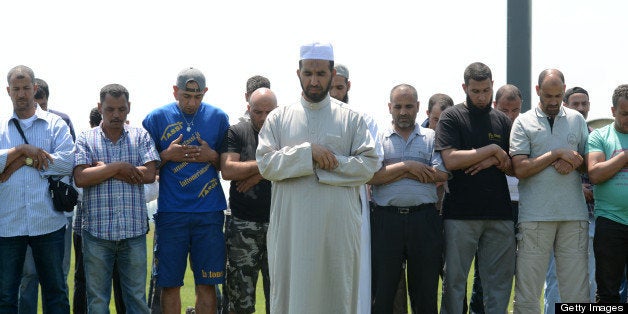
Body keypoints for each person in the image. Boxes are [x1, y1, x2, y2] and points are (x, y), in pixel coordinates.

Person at [255, 42, 380, 313]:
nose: (314, 80)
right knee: (292, 297)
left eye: (321, 74)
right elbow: (265, 164)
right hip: (292, 232)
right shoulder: (278, 118)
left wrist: (327, 165)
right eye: (308, 73)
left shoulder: (352, 119)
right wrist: (306, 154)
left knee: (336, 295)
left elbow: (369, 165)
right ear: (298, 73)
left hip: (336, 231)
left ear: (332, 73)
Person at [142, 67, 229, 314]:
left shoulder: (219, 118)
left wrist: (212, 156)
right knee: (169, 284)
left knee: (208, 283)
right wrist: (166, 155)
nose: (191, 102)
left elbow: (228, 165)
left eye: (197, 96)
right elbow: (146, 165)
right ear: (175, 91)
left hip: (209, 212)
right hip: (172, 212)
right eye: (186, 96)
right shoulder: (155, 119)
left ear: (205, 93)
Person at [435, 62, 516, 314]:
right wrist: (492, 151)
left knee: (499, 285)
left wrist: (494, 160)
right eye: (475, 91)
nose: (481, 97)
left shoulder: (502, 121)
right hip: (460, 214)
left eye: (486, 90)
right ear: (464, 88)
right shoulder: (451, 117)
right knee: (455, 283)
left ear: (493, 86)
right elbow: (451, 159)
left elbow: (515, 165)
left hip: (500, 214)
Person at [73, 84, 158, 313]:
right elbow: (80, 177)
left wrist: (104, 171)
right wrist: (120, 167)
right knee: (98, 302)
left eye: (121, 109)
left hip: (133, 232)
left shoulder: (140, 136)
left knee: (137, 301)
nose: (116, 115)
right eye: (110, 109)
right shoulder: (86, 138)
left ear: (129, 107)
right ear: (100, 108)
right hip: (98, 233)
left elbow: (150, 174)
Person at [510, 69, 590, 313]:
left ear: (564, 90)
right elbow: (520, 168)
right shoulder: (523, 121)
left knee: (577, 294)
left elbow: (589, 163)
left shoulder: (577, 119)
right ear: (537, 91)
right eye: (547, 96)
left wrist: (575, 160)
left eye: (558, 95)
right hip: (535, 217)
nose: (553, 101)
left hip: (573, 216)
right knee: (528, 293)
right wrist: (555, 154)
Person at [369, 84, 449, 313]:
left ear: (417, 107)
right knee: (382, 294)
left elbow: (442, 173)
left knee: (425, 295)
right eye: (398, 106)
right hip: (386, 222)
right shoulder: (379, 139)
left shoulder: (432, 137)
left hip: (423, 220)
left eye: (408, 106)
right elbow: (372, 176)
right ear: (389, 108)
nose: (403, 112)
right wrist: (409, 167)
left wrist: (391, 172)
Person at [0, 65, 74, 313]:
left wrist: (21, 160)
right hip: (8, 224)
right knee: (6, 296)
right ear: (8, 91)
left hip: (48, 222)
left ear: (35, 89)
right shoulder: (1, 125)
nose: (21, 94)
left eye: (26, 88)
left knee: (56, 294)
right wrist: (21, 150)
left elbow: (66, 163)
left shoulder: (55, 124)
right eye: (16, 89)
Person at [220, 87, 276, 314]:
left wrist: (256, 175)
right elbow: (228, 169)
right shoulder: (236, 132)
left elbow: (298, 167)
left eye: (268, 113)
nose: (262, 118)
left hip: (278, 225)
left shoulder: (286, 134)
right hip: (242, 227)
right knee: (239, 301)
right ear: (248, 109)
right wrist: (270, 164)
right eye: (257, 112)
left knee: (280, 298)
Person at [544, 86, 596, 313]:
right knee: (556, 280)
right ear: (565, 106)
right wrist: (577, 188)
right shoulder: (552, 134)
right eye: (576, 104)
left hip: (591, 218)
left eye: (585, 104)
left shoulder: (597, 136)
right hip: (558, 217)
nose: (581, 108)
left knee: (589, 280)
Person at [586, 84, 628, 302]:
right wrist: (624, 157)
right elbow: (594, 173)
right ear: (613, 111)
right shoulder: (600, 137)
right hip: (610, 221)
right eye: (624, 113)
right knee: (607, 293)